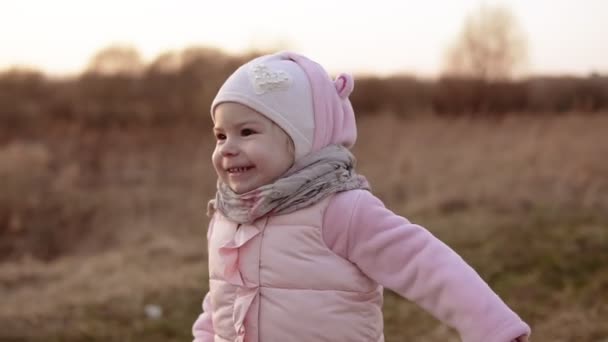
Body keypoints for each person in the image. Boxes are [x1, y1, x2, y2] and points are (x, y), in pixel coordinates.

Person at [192, 51, 531, 342]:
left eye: (247, 132)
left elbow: (425, 265)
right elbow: (223, 294)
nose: (228, 149)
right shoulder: (228, 215)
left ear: (302, 139)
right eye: (220, 136)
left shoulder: (339, 208)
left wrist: (494, 329)